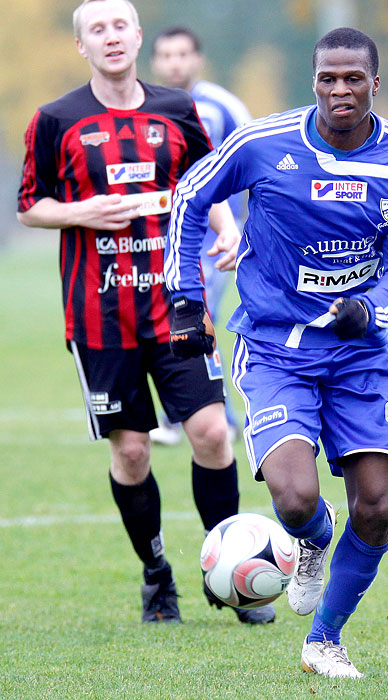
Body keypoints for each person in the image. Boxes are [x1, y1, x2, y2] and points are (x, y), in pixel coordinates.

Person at [164, 26, 388, 677]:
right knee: (291, 498)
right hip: (275, 346)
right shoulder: (264, 143)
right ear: (313, 81)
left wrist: (371, 310)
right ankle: (312, 540)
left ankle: (324, 640)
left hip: (357, 351)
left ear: (375, 83)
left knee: (379, 503)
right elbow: (190, 196)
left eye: (352, 79)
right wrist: (184, 298)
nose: (339, 90)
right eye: (327, 79)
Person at [17, 0, 275, 625]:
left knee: (212, 435)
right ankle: (156, 573)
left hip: (175, 303)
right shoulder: (55, 119)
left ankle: (230, 570)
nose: (110, 38)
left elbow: (204, 180)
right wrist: (82, 212)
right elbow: (30, 205)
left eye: (119, 26)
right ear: (82, 45)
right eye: (95, 30)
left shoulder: (176, 110)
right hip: (99, 314)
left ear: (137, 37)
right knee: (131, 452)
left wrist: (226, 229)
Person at [149, 26, 251, 446]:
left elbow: (254, 158)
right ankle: (192, 413)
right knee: (172, 316)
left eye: (182, 54)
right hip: (161, 238)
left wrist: (241, 226)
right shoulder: (146, 108)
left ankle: (211, 416)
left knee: (195, 312)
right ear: (154, 62)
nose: (175, 62)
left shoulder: (223, 106)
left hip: (213, 237)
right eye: (166, 55)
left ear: (198, 59)